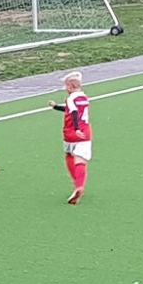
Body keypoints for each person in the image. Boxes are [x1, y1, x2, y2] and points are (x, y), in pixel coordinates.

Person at [48, 71, 92, 204]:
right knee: (80, 160)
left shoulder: (71, 98)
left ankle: (75, 183)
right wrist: (55, 107)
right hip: (85, 133)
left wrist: (76, 129)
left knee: (69, 155)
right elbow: (69, 109)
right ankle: (79, 185)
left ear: (71, 86)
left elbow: (73, 112)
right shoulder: (84, 97)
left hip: (71, 132)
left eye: (66, 86)